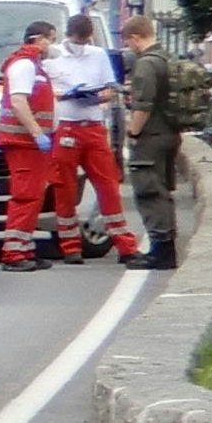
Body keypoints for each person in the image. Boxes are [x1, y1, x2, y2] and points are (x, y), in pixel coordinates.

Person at [42, 13, 134, 263]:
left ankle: (125, 246)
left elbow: (109, 87)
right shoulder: (53, 58)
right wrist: (67, 95)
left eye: (83, 41)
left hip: (93, 126)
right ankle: (70, 247)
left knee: (108, 185)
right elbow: (49, 92)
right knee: (65, 189)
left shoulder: (98, 55)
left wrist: (99, 96)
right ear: (67, 36)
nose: (80, 46)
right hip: (66, 126)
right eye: (76, 41)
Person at [0, 20, 60, 271]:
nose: (50, 45)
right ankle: (13, 255)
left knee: (33, 197)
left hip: (30, 143)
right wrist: (36, 133)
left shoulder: (34, 65)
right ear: (38, 39)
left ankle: (25, 249)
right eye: (50, 39)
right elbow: (19, 102)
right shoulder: (24, 65)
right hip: (24, 142)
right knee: (25, 196)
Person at [122, 15, 183, 271]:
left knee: (149, 192)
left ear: (136, 37)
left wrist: (133, 132)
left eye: (129, 42)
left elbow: (143, 106)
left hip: (151, 137)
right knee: (162, 191)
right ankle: (165, 247)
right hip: (170, 133)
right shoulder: (168, 59)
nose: (129, 47)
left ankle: (161, 251)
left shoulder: (146, 64)